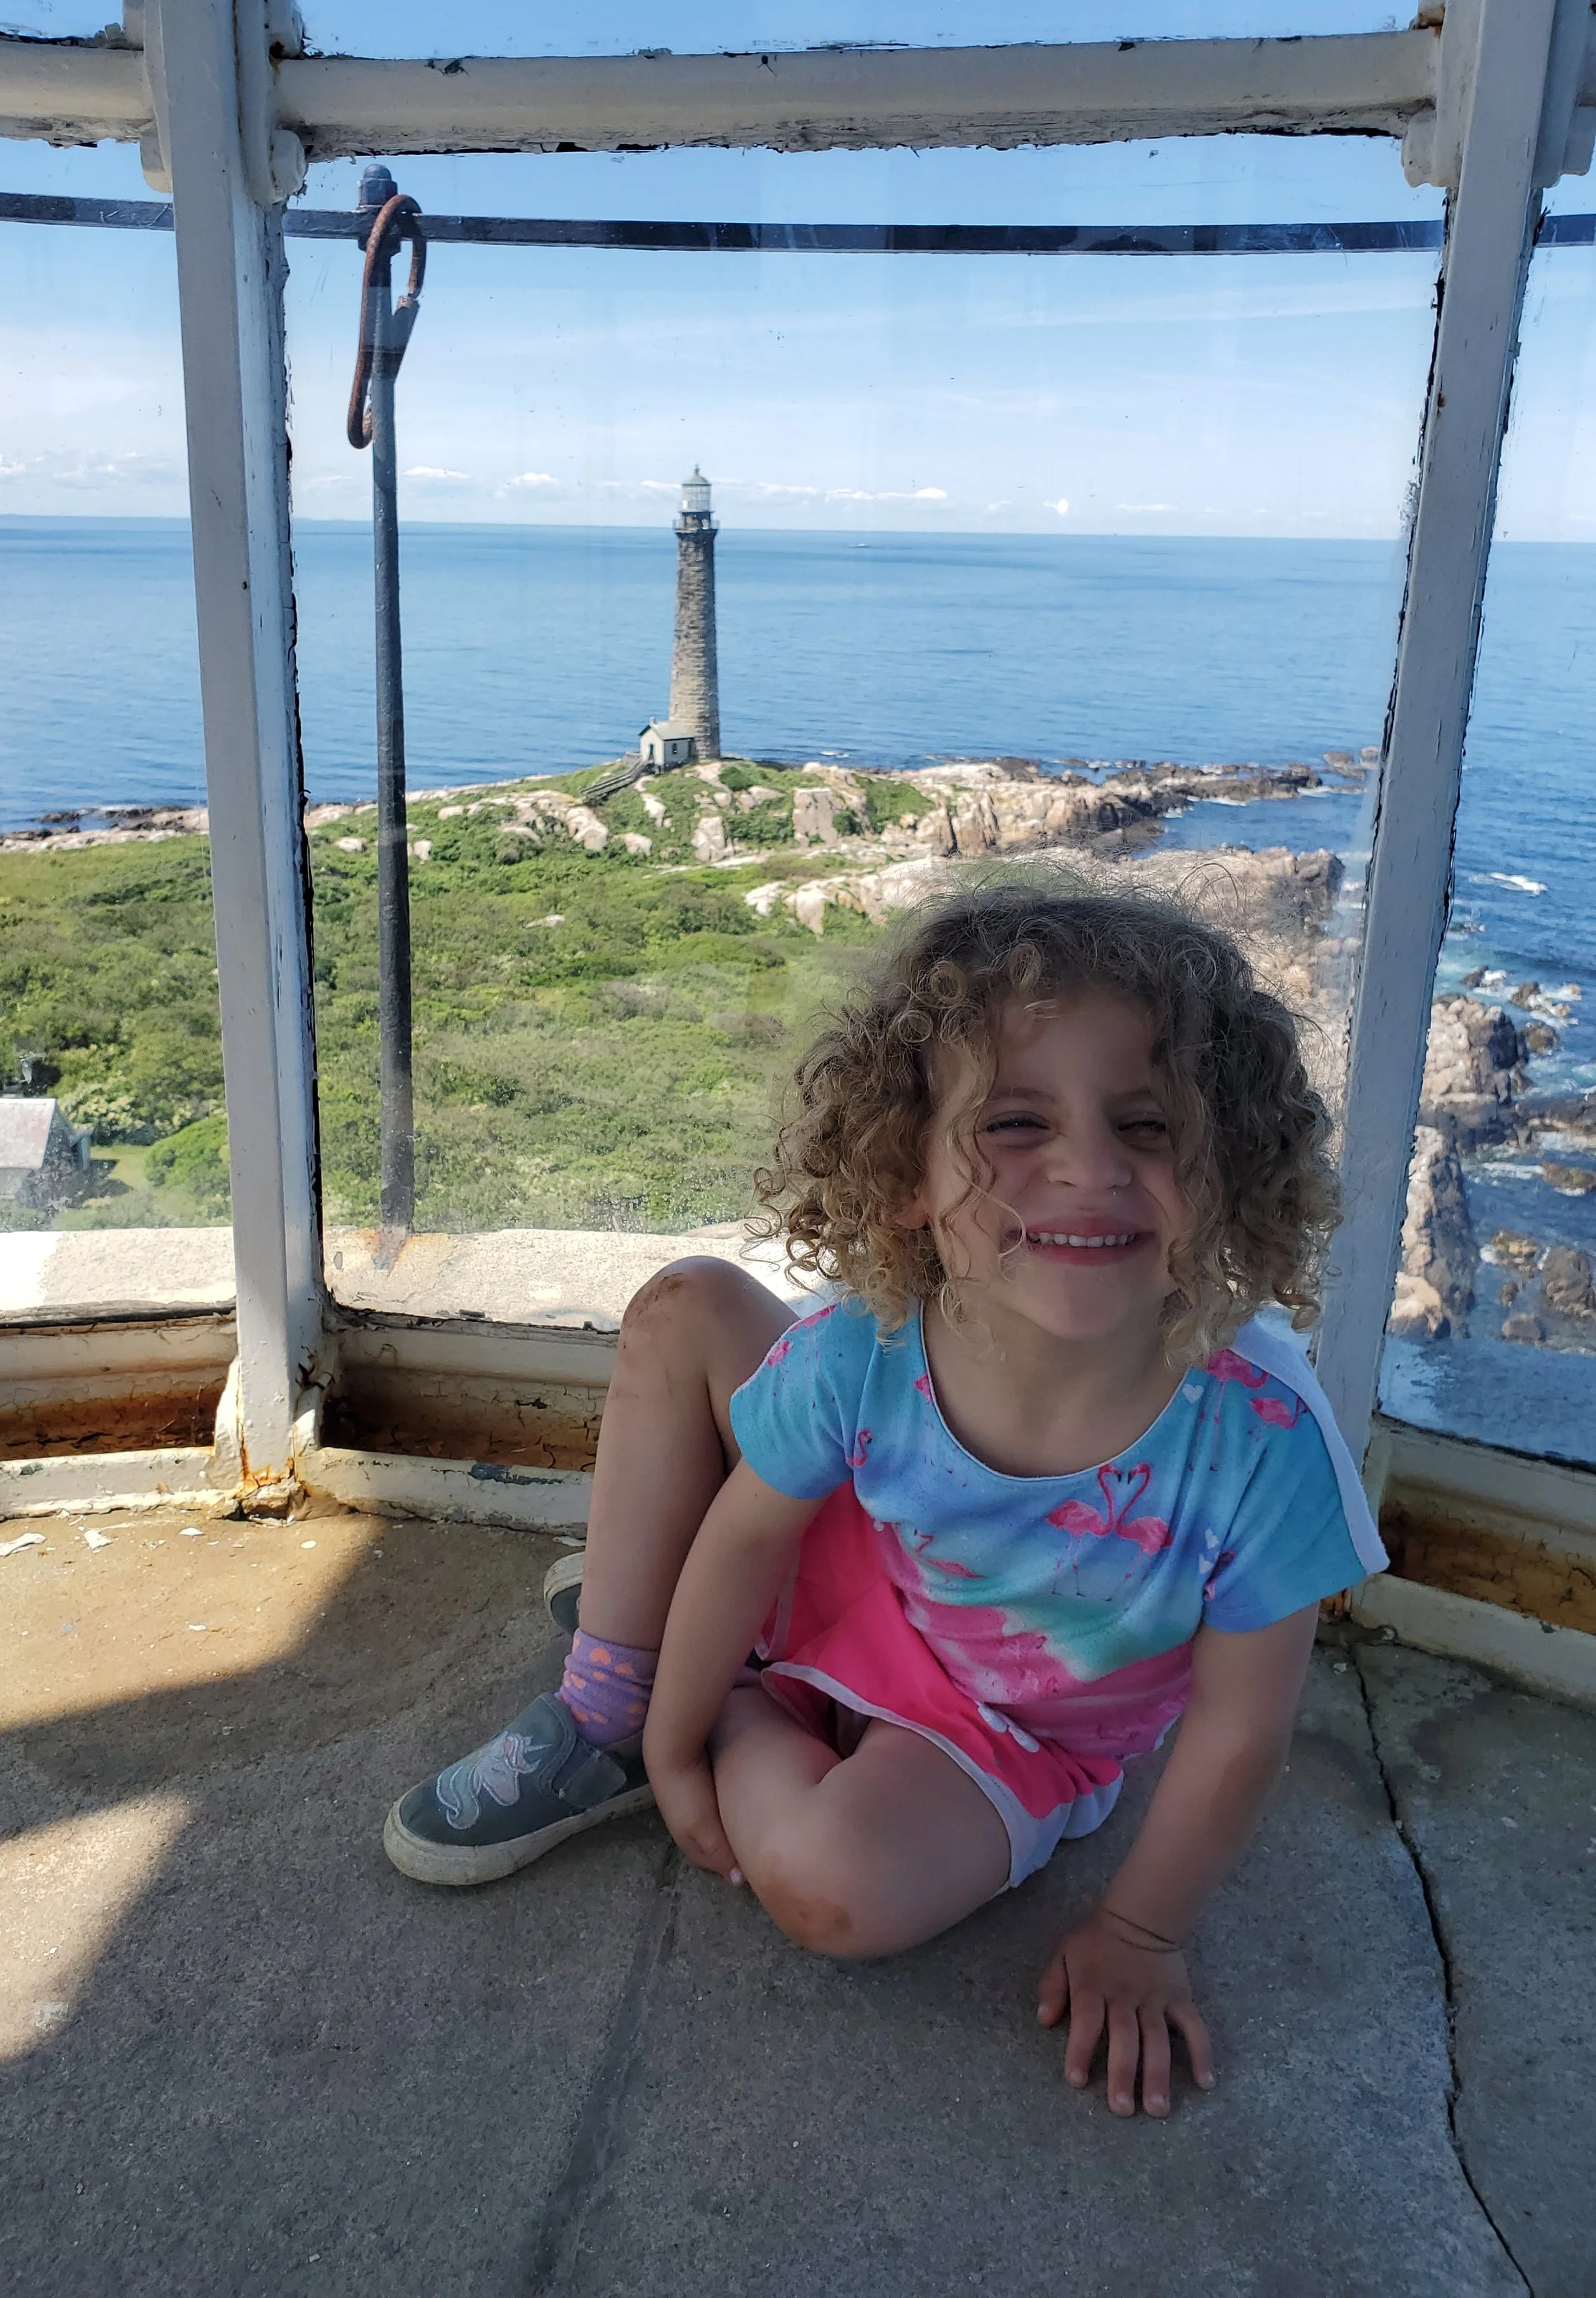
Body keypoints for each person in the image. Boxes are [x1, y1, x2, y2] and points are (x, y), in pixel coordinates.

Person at [383, 877, 1386, 2118]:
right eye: (1015, 1124)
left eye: (1148, 1126)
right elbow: (753, 1526)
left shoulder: (1263, 1436)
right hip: (867, 1566)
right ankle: (613, 1701)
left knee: (833, 1891)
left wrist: (1141, 1929)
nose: (1087, 1167)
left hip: (1013, 1727)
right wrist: (664, 1739)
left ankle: (727, 1675)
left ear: (1230, 1166)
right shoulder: (872, 1346)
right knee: (686, 1308)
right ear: (906, 1172)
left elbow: (1240, 1730)